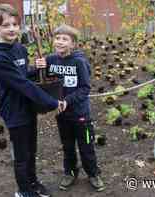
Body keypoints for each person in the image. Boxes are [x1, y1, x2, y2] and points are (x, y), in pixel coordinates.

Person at [0, 4, 64, 197]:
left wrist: (36, 69)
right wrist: (52, 102)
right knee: (21, 156)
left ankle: (33, 182)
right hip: (14, 111)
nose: (11, 29)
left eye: (14, 24)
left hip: (28, 107)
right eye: (5, 25)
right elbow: (22, 84)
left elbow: (23, 74)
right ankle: (24, 191)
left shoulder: (19, 48)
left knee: (31, 150)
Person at [35, 24, 105, 192]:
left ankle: (93, 173)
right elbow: (45, 81)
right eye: (57, 38)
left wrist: (67, 101)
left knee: (86, 145)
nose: (60, 42)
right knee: (67, 146)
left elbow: (85, 88)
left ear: (73, 44)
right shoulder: (51, 60)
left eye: (65, 39)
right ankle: (70, 172)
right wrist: (39, 67)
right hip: (61, 114)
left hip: (81, 115)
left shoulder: (79, 62)